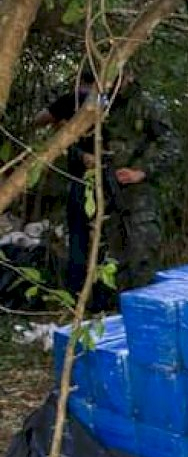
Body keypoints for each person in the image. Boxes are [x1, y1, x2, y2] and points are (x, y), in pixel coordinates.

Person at [36, 68, 179, 303]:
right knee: (111, 256)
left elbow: (172, 146)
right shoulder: (99, 103)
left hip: (137, 195)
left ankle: (141, 312)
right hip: (102, 191)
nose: (112, 83)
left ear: (130, 75)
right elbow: (71, 136)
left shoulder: (147, 105)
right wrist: (83, 156)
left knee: (140, 255)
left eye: (117, 77)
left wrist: (141, 172)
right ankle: (107, 309)